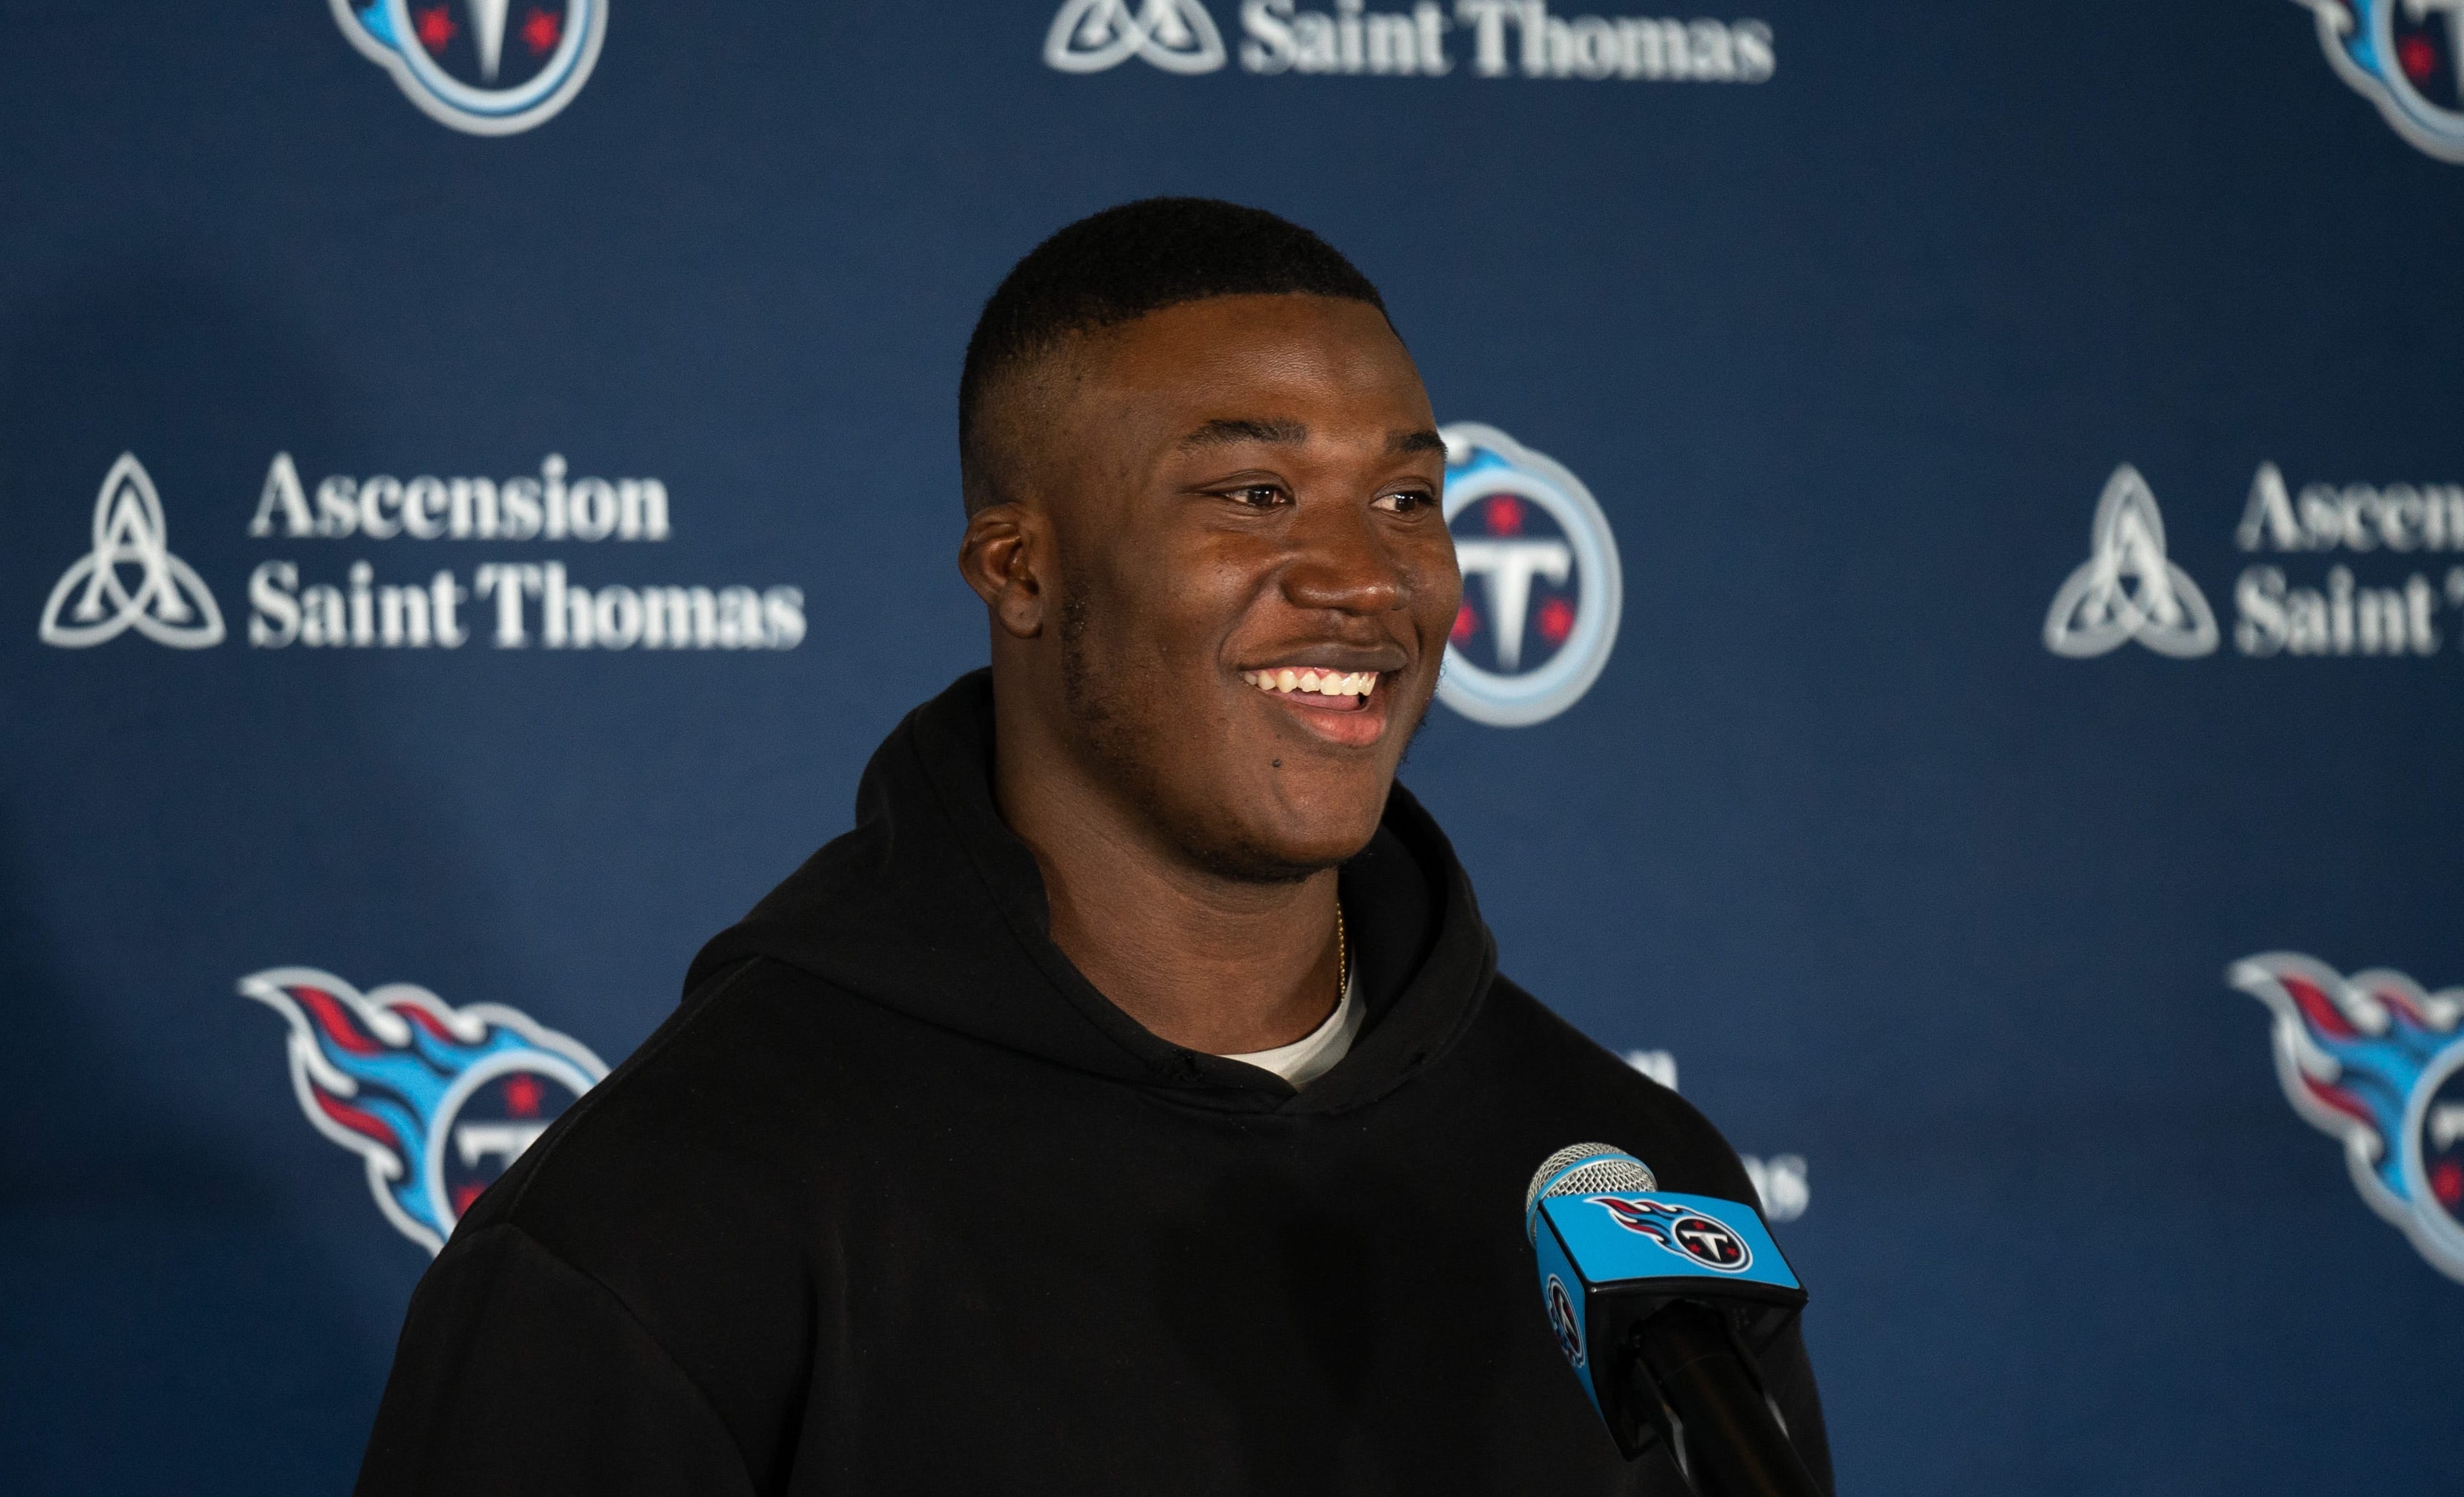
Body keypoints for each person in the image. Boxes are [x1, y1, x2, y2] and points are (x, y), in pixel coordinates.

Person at [355, 197, 1831, 1496]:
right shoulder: (673, 1216)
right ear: (1021, 566)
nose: (1364, 578)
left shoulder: (1628, 1194)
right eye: (1254, 495)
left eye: (1405, 499)